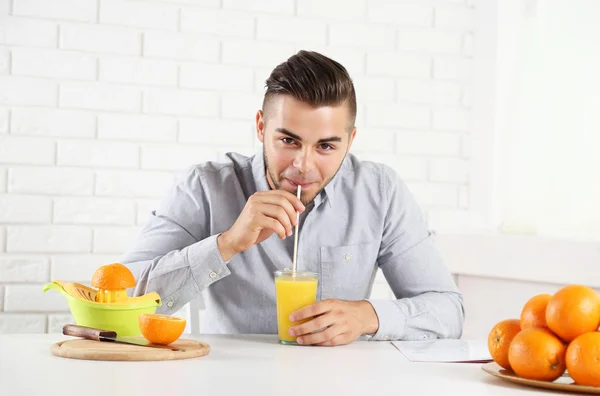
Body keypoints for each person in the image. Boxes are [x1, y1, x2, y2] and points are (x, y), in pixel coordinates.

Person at [121, 50, 465, 346]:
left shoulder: (380, 192)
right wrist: (226, 244)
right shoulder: (205, 187)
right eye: (288, 141)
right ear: (260, 127)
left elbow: (448, 311)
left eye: (326, 146)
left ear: (350, 140)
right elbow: (119, 302)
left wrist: (368, 316)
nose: (304, 165)